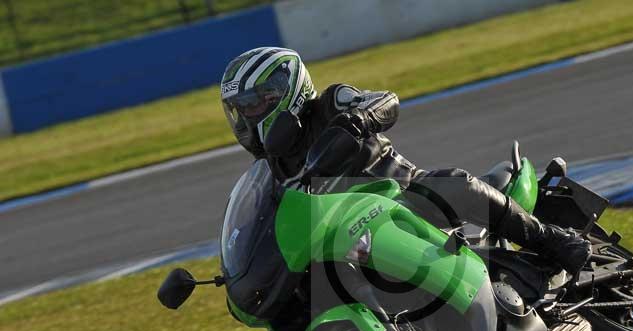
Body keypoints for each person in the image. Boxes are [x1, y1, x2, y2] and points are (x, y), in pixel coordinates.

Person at [220, 47, 590, 276]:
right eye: (241, 109)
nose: (249, 116)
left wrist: (361, 118)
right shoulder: (272, 171)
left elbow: (386, 101)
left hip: (406, 198)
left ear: (287, 91)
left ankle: (553, 240)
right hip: (355, 235)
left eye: (255, 103)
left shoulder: (330, 103)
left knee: (453, 184)